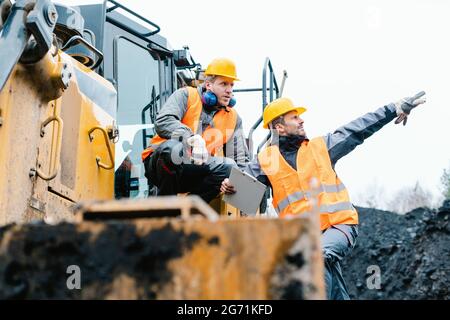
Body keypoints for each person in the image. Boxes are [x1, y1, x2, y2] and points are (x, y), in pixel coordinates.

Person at [220, 92, 427, 299]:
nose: (301, 120)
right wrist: (228, 185)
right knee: (331, 284)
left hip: (339, 225)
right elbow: (239, 189)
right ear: (279, 127)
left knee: (315, 260)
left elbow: (358, 129)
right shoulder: (266, 161)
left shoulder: (321, 147)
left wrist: (393, 108)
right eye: (294, 117)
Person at [141, 58, 249, 203]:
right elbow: (163, 120)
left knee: (229, 167)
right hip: (161, 165)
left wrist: (231, 182)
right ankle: (165, 208)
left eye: (231, 85)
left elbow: (240, 161)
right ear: (208, 84)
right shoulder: (186, 95)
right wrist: (191, 138)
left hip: (196, 167)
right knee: (173, 149)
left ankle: (188, 211)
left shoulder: (234, 118)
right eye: (224, 84)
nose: (229, 90)